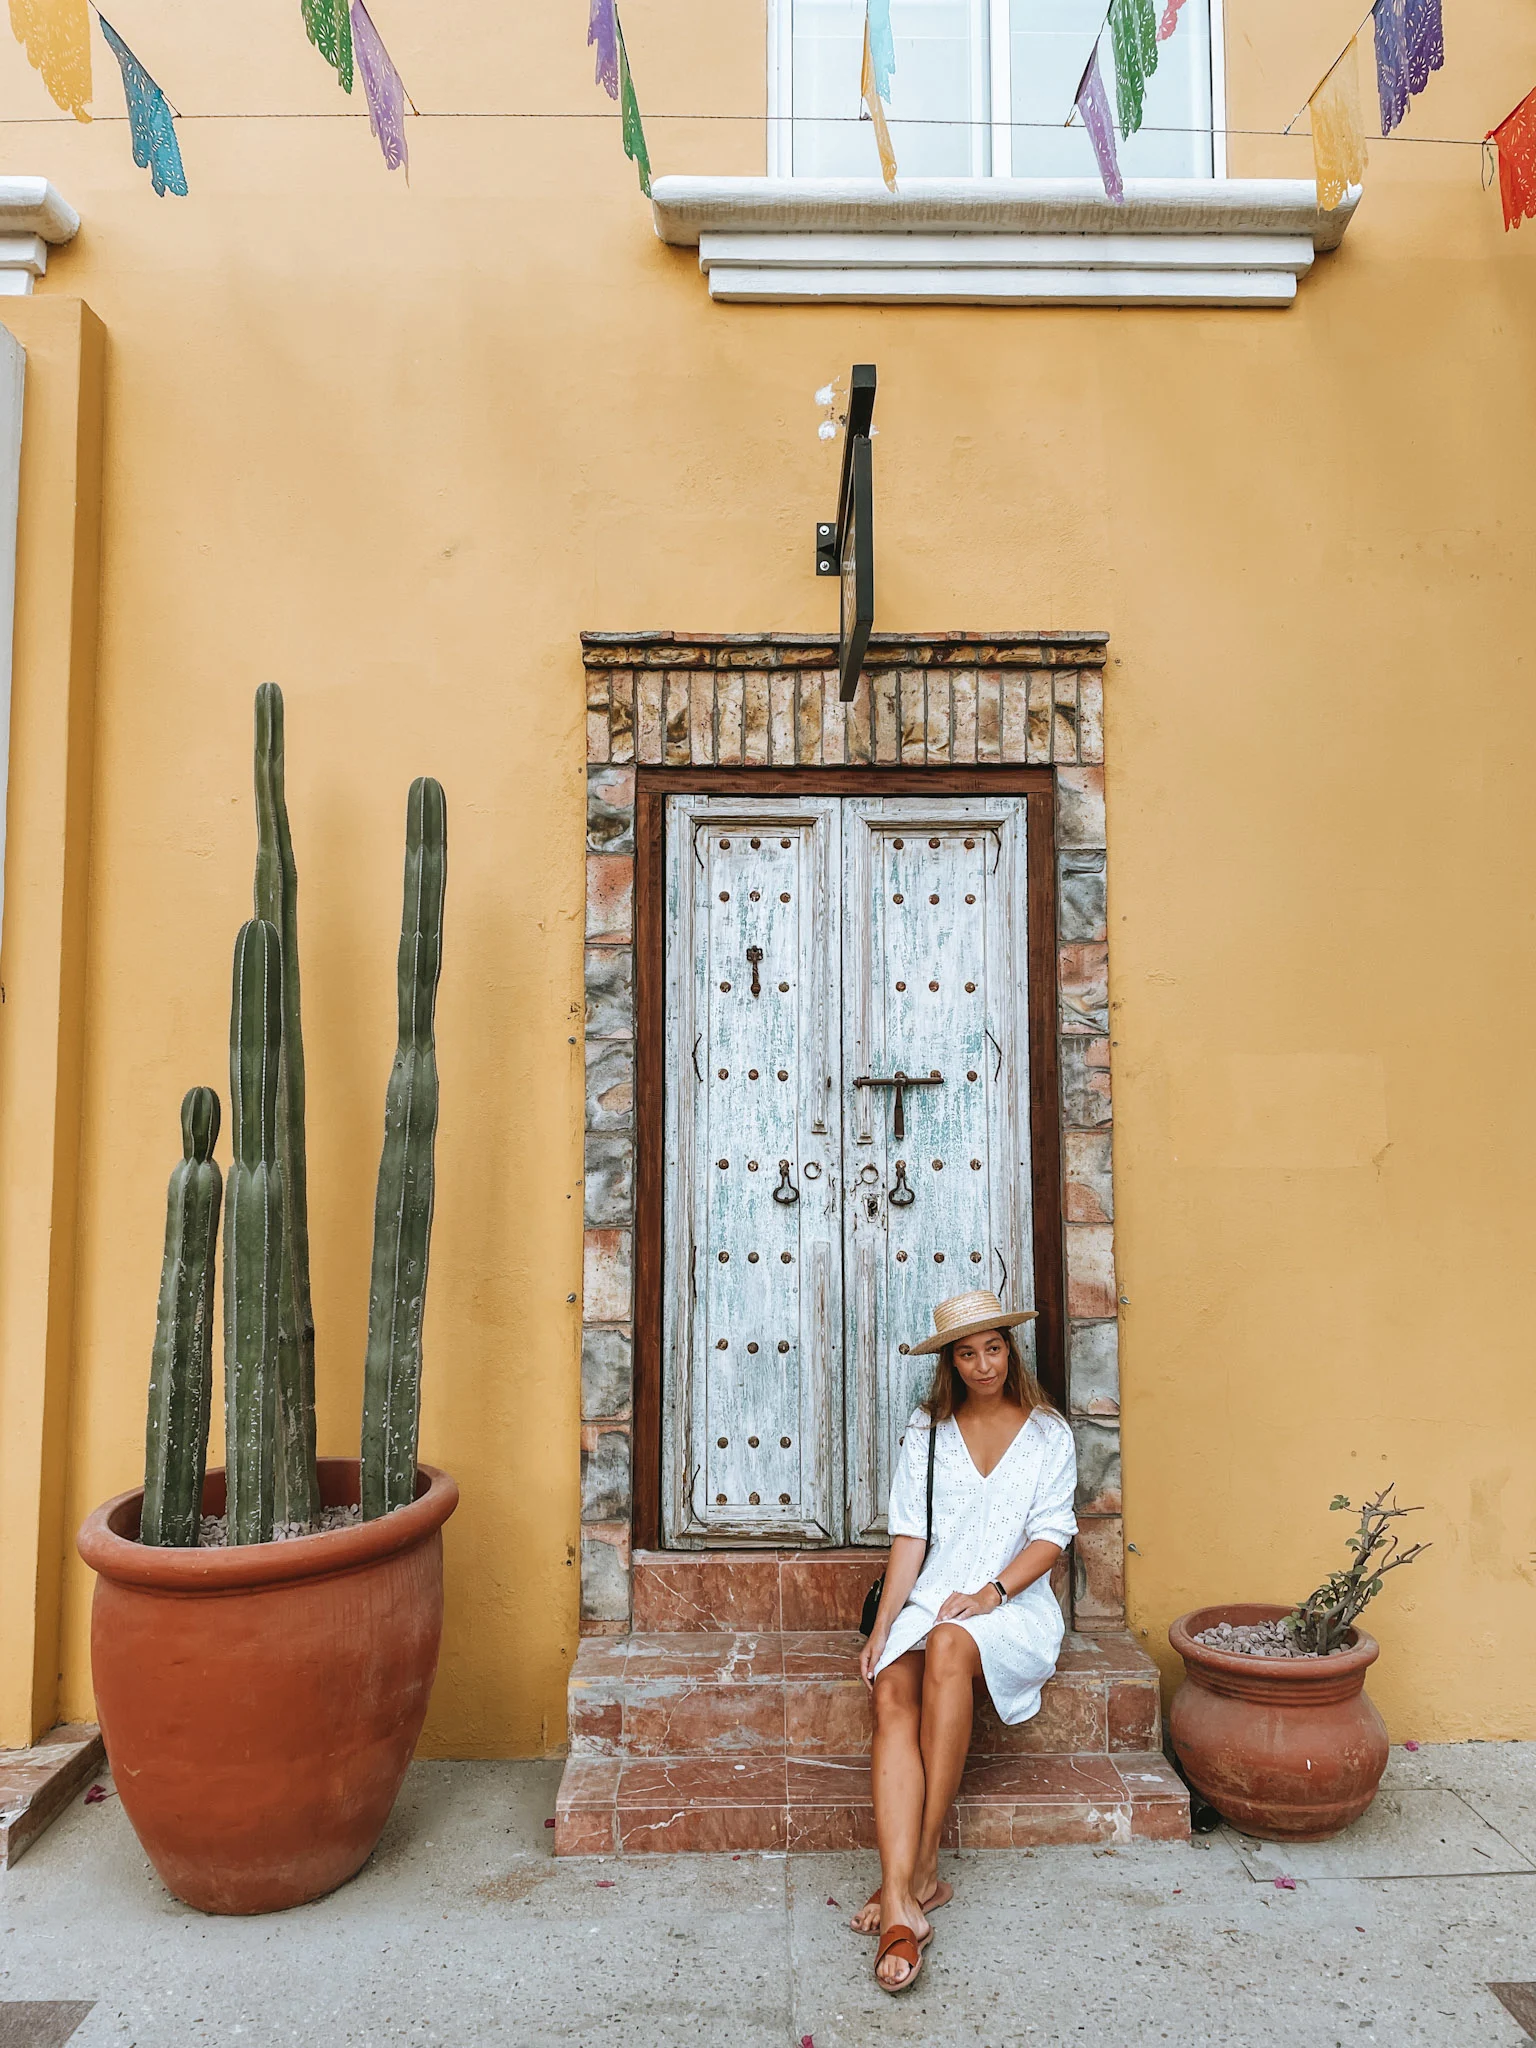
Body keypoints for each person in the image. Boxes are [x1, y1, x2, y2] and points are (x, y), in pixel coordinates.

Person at [853, 1290, 1078, 1993]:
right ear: (950, 1362)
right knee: (893, 1688)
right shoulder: (928, 1428)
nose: (983, 1363)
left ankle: (918, 1868)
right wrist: (885, 1627)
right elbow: (910, 1538)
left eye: (994, 1347)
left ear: (1012, 1351)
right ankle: (907, 1893)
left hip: (1012, 1604)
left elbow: (1051, 1535)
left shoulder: (1048, 1434)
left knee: (951, 1644)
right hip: (932, 1597)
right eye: (966, 1351)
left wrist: (992, 1593)